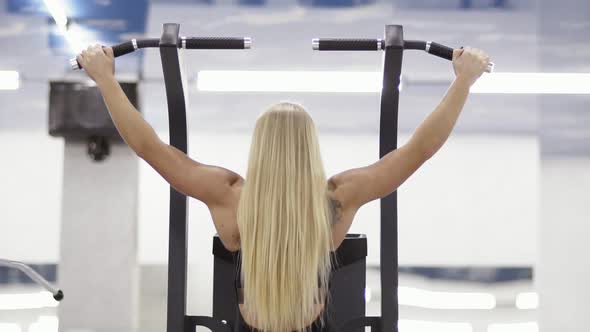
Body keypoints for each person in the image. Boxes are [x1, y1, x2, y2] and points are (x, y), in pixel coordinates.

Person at [76, 45, 490, 332]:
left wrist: (105, 79)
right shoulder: (336, 200)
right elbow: (420, 150)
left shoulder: (229, 195)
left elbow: (148, 147)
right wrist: (463, 82)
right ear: (311, 147)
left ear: (259, 146)